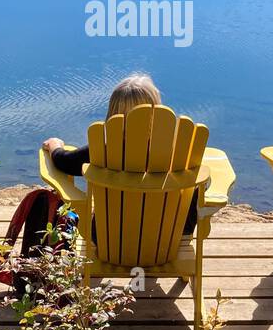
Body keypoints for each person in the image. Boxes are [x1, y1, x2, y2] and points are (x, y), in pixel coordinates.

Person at [41, 73, 199, 236]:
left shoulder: (102, 151)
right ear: (157, 109)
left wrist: (55, 146)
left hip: (109, 243)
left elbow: (64, 163)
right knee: (194, 182)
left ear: (113, 112)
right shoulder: (178, 153)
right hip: (166, 243)